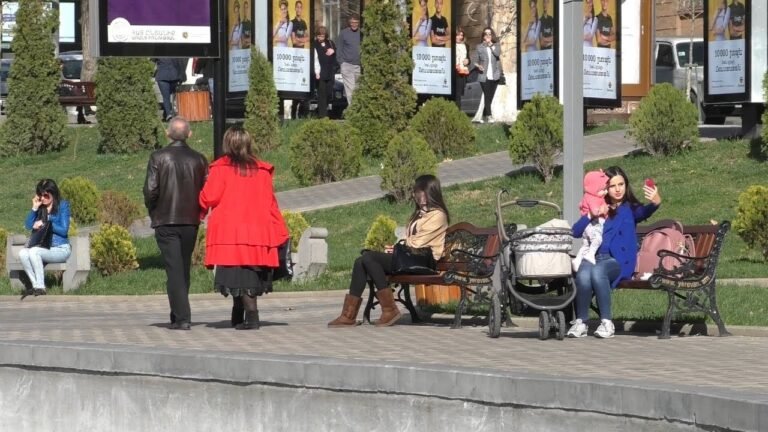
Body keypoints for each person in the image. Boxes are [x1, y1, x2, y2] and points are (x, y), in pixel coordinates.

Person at [328, 174, 450, 328]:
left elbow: (419, 242)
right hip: (410, 257)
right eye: (417, 192)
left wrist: (400, 245)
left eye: (422, 192)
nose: (418, 196)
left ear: (432, 192)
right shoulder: (419, 214)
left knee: (368, 257)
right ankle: (348, 315)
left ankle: (389, 310)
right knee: (360, 261)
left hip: (424, 260)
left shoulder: (438, 215)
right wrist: (398, 247)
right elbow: (411, 239)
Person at [199, 126, 289, 330]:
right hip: (257, 230)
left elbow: (209, 197)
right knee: (248, 272)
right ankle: (239, 314)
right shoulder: (261, 170)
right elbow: (270, 201)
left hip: (230, 231)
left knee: (236, 274)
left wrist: (199, 206)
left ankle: (251, 317)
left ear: (227, 144)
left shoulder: (221, 168)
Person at [567, 166, 661, 339]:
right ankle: (581, 322)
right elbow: (576, 232)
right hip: (596, 258)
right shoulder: (598, 208)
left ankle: (606, 323)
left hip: (619, 261)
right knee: (583, 274)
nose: (618, 189)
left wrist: (655, 202)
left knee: (597, 272)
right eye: (612, 186)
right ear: (604, 188)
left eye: (621, 184)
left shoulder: (630, 209)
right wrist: (590, 216)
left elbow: (644, 211)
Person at [143, 117, 208, 330]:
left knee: (174, 269)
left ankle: (182, 317)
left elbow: (150, 190)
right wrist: (200, 212)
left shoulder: (158, 157)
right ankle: (178, 312)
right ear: (189, 134)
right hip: (190, 221)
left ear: (168, 134)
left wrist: (154, 211)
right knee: (182, 267)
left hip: (166, 220)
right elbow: (206, 191)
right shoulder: (199, 159)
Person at [18, 179, 71, 297]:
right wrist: (34, 208)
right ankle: (36, 285)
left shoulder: (63, 205)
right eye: (40, 195)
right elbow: (28, 225)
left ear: (53, 193)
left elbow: (63, 230)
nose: (42, 198)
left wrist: (47, 221)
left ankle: (41, 287)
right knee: (22, 253)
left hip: (61, 248)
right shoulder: (40, 207)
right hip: (44, 248)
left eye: (46, 195)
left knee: (34, 251)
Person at [571, 170, 609, 272]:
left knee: (585, 245)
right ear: (594, 189)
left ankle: (578, 259)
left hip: (590, 227)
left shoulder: (592, 196)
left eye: (606, 189)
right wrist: (602, 210)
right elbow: (594, 211)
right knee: (597, 239)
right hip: (593, 224)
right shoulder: (593, 198)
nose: (606, 192)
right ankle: (590, 255)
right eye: (603, 190)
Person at [472, 27, 502, 124]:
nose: (488, 35)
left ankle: (485, 114)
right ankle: (489, 116)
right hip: (484, 75)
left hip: (495, 75)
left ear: (492, 35)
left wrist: (491, 45)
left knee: (490, 97)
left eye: (490, 34)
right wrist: (478, 66)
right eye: (486, 34)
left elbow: (497, 54)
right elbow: (475, 61)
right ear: (483, 36)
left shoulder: (496, 45)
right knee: (487, 95)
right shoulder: (479, 47)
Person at [337, 14, 362, 106]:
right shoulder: (344, 33)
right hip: (347, 65)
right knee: (351, 90)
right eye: (352, 22)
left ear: (359, 23)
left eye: (356, 22)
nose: (354, 24)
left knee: (359, 90)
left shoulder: (362, 33)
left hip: (359, 66)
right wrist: (341, 62)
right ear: (349, 23)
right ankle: (353, 112)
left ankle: (359, 112)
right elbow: (339, 48)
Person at [313, 26, 337, 119]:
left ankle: (321, 110)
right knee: (321, 93)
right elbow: (314, 59)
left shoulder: (330, 43)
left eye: (322, 36)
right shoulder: (315, 44)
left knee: (328, 92)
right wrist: (316, 72)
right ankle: (323, 115)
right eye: (318, 36)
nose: (320, 38)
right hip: (320, 72)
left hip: (330, 72)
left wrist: (333, 50)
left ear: (325, 36)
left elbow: (335, 54)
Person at [454, 28, 470, 110]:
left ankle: (457, 113)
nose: (460, 37)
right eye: (458, 35)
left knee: (458, 94)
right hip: (452, 72)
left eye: (462, 35)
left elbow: (468, 59)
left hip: (461, 72)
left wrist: (468, 61)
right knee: (453, 94)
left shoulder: (466, 46)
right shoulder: (450, 44)